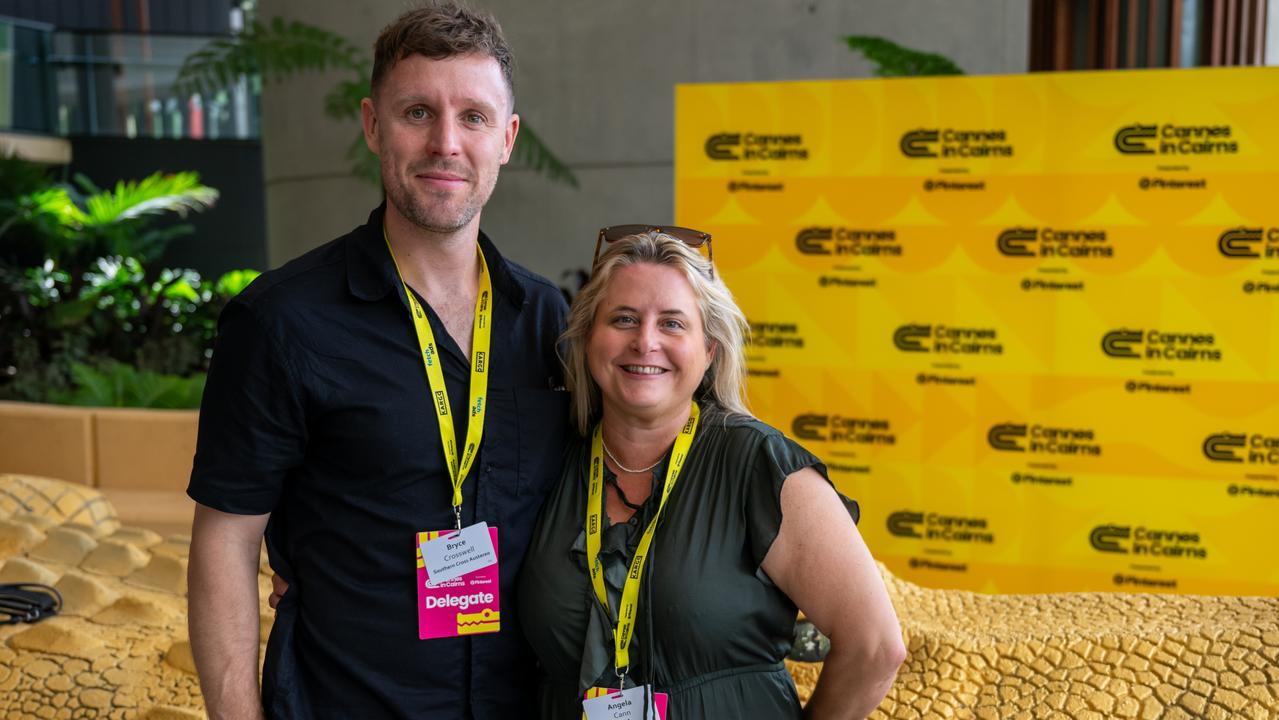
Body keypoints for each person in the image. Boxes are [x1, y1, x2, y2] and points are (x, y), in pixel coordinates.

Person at [186, 4, 570, 718]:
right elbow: (225, 543)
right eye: (418, 112)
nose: (446, 143)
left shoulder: (550, 324)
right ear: (372, 125)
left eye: (475, 118)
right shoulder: (281, 322)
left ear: (508, 139)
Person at [518, 229, 906, 719]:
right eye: (623, 319)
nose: (645, 341)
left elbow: (876, 647)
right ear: (588, 338)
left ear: (709, 352)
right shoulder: (548, 462)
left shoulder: (758, 463)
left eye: (673, 324)